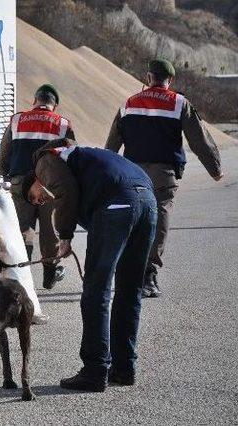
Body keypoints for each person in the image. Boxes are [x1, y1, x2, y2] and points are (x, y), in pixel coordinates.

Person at [24, 138, 157, 391]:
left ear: (35, 179)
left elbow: (64, 190)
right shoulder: (87, 156)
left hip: (118, 202)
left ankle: (95, 371)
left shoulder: (45, 159)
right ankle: (124, 367)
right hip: (147, 203)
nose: (40, 201)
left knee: (97, 292)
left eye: (35, 197)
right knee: (129, 291)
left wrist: (64, 236)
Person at [106, 59, 223, 298]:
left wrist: (106, 176)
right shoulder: (179, 103)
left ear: (148, 77)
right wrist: (215, 169)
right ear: (169, 80)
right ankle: (148, 276)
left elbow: (112, 145)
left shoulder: (128, 104)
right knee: (159, 218)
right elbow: (199, 140)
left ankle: (127, 275)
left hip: (132, 175)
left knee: (133, 220)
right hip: (163, 174)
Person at [0, 84, 73, 289]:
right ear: (54, 106)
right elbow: (70, 157)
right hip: (50, 184)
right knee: (49, 229)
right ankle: (50, 274)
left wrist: (6, 173)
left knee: (23, 228)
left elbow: (5, 151)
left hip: (21, 182)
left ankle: (23, 277)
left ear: (34, 101)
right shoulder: (63, 124)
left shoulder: (17, 119)